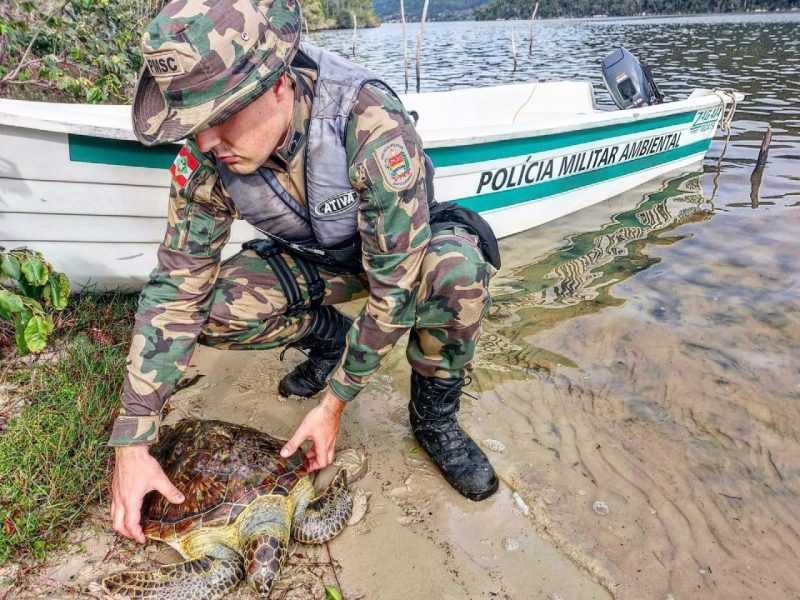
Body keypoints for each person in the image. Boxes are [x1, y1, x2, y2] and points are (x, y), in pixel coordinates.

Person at [109, 0, 501, 544]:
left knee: (456, 276)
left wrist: (333, 403)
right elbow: (178, 287)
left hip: (399, 252)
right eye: (194, 124)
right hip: (320, 258)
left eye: (219, 117)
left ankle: (434, 418)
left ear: (276, 85)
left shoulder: (367, 121)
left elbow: (394, 285)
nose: (204, 142)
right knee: (214, 312)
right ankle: (329, 336)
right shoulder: (205, 158)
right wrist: (133, 439)